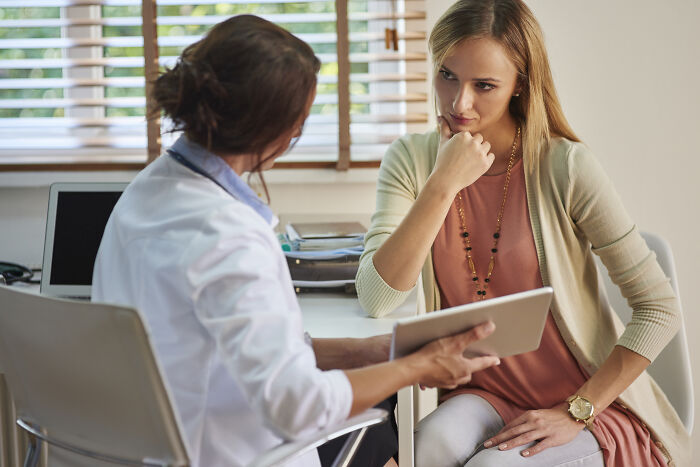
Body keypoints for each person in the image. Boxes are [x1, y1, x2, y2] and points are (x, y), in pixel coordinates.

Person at [91, 14, 502, 467]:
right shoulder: (230, 237)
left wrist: (366, 351)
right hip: (232, 451)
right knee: (384, 425)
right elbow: (297, 405)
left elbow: (235, 344)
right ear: (279, 132)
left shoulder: (144, 193)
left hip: (166, 440)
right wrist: (415, 369)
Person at [355, 1, 690, 466]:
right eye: (447, 75)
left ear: (520, 86)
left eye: (484, 85)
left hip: (586, 402)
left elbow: (659, 309)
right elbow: (376, 297)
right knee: (424, 448)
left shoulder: (565, 166)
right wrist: (443, 182)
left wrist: (579, 410)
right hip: (485, 395)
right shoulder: (411, 161)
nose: (459, 103)